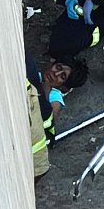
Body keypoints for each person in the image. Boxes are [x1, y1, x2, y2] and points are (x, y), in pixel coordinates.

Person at [26, 53, 89, 181]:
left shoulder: (55, 98)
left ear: (63, 87)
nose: (56, 74)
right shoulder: (35, 74)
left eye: (62, 77)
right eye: (58, 68)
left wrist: (45, 88)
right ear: (52, 64)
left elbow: (45, 117)